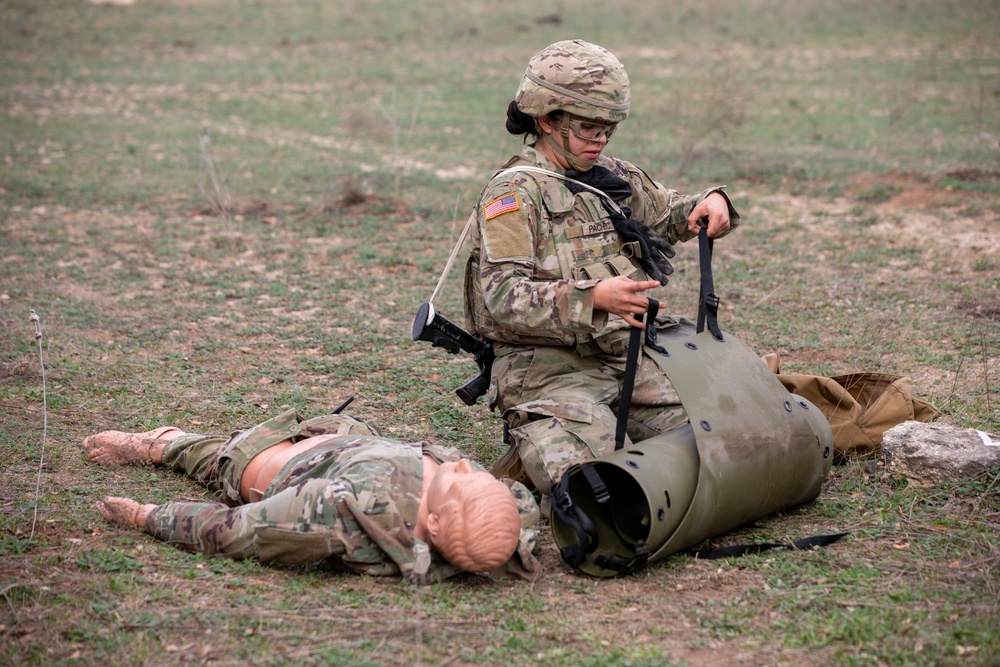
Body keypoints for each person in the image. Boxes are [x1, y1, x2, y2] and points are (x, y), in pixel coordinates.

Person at [463, 40, 741, 495]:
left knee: (734, 432)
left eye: (608, 129)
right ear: (547, 119)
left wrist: (710, 203)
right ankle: (542, 440)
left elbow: (669, 214)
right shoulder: (513, 195)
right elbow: (501, 299)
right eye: (589, 128)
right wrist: (591, 299)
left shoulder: (609, 176)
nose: (600, 140)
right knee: (612, 488)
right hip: (549, 370)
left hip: (626, 354)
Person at [83, 409, 541, 584]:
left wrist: (147, 516)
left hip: (266, 460)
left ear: (435, 525)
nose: (463, 465)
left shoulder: (338, 516)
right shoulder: (507, 515)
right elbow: (517, 504)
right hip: (353, 439)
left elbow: (236, 531)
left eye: (457, 480)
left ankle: (164, 443)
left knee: (216, 457)